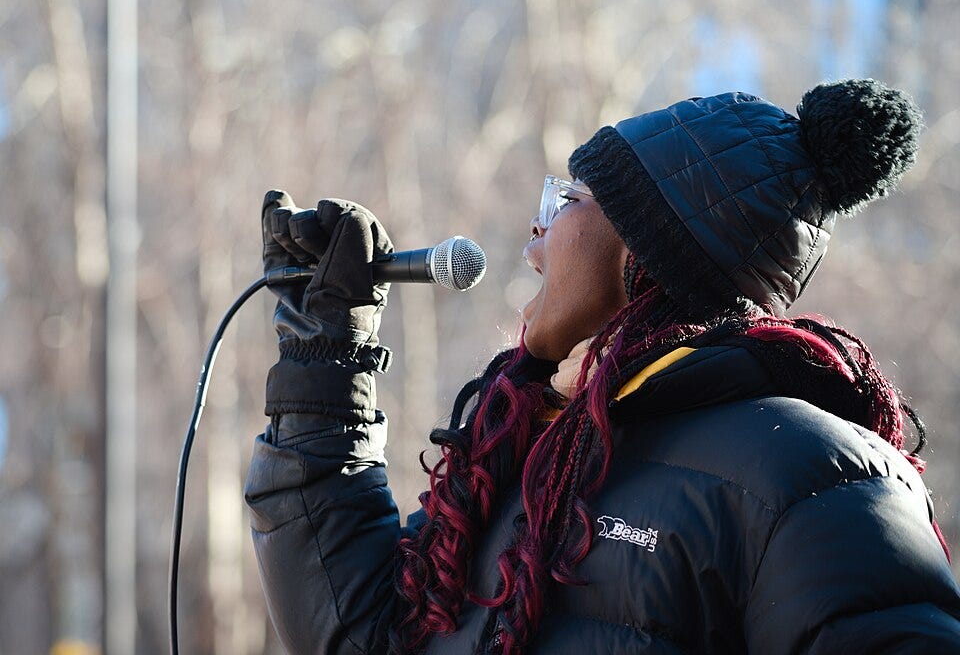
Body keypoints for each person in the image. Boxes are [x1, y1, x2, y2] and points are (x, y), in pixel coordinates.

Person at [245, 79, 960, 654]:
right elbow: (362, 631)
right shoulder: (534, 460)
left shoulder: (814, 476)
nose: (536, 237)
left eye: (569, 199)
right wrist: (324, 360)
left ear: (643, 253)